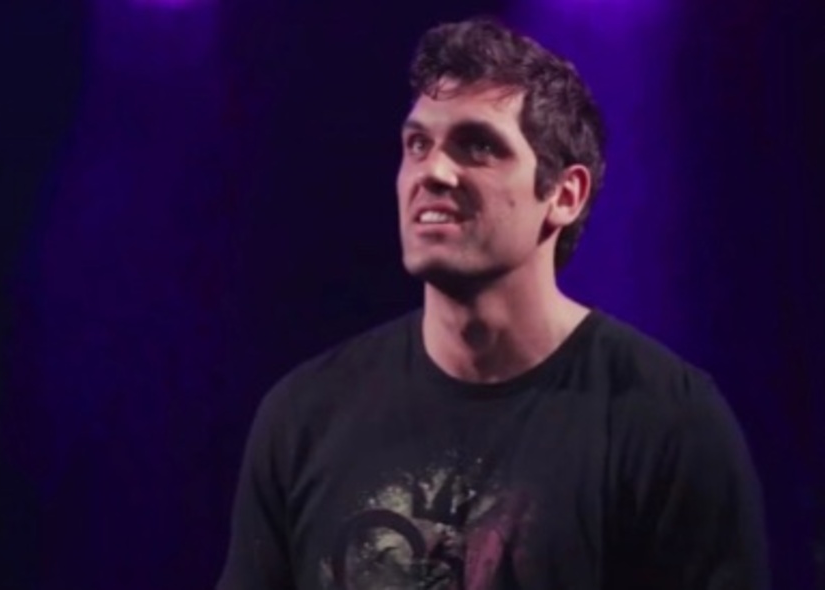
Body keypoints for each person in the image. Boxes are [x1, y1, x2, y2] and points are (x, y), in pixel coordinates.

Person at [215, 17, 769, 590]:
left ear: (564, 194)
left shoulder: (667, 419)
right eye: (417, 144)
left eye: (478, 146)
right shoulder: (304, 416)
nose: (433, 170)